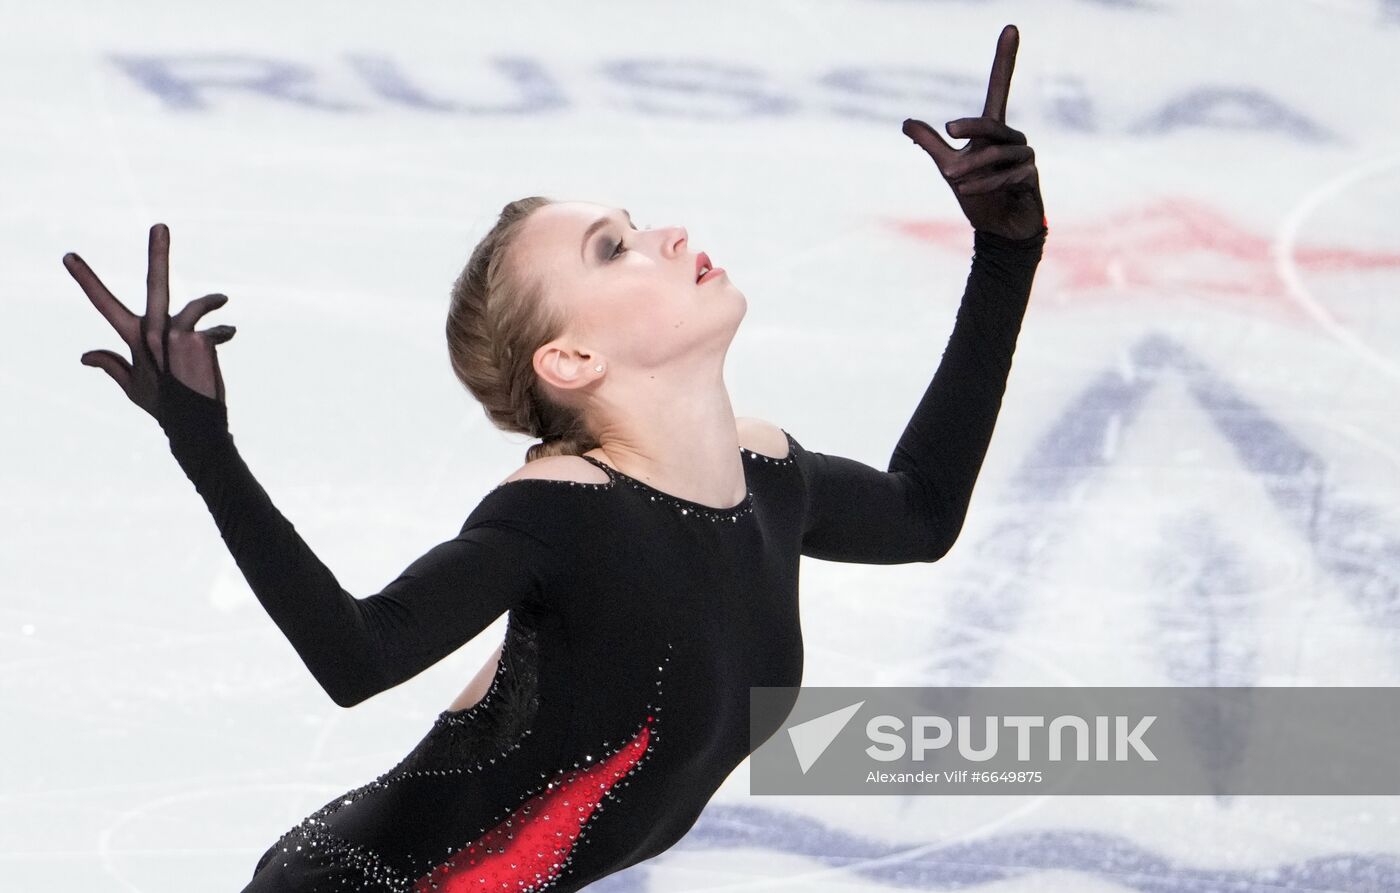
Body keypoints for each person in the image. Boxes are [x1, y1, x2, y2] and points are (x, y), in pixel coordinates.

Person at [64, 24, 1047, 893]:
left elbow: (920, 515)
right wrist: (205, 446)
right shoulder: (560, 512)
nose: (668, 234)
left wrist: (1006, 253)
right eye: (613, 248)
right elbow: (356, 656)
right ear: (570, 358)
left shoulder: (769, 479)